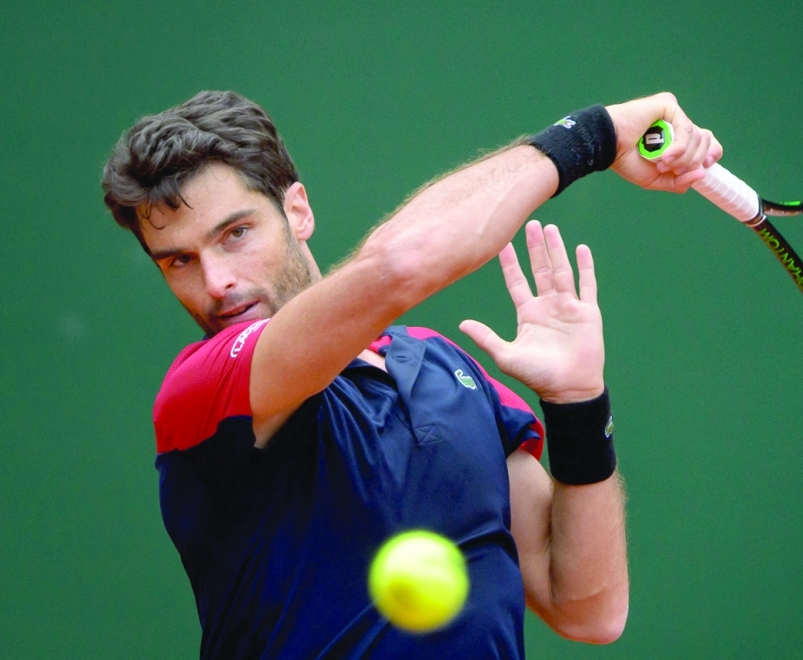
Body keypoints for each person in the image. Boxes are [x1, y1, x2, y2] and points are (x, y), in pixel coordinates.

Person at [101, 90, 721, 659]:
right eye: (179, 261)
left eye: (235, 234)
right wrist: (596, 135)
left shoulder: (443, 368)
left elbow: (589, 610)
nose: (215, 283)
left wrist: (578, 403)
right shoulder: (201, 394)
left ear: (297, 209)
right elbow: (401, 264)